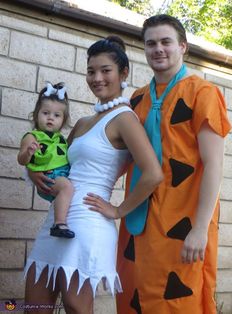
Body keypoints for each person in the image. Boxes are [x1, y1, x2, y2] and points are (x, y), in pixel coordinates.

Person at [85, 15, 232, 314]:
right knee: (133, 294)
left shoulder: (203, 93)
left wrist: (201, 228)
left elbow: (214, 165)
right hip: (138, 223)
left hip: (183, 223)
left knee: (178, 301)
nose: (158, 49)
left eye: (166, 42)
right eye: (151, 43)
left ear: (183, 47)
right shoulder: (136, 99)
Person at [24, 35, 163, 314]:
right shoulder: (83, 122)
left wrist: (118, 210)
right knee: (35, 305)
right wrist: (32, 170)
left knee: (76, 306)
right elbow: (56, 159)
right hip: (57, 220)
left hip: (88, 223)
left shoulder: (124, 118)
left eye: (105, 70)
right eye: (91, 71)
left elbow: (153, 173)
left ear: (123, 73)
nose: (97, 78)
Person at [17, 82, 75, 239]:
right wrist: (28, 153)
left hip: (61, 175)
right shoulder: (33, 136)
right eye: (45, 113)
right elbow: (21, 160)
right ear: (36, 114)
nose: (50, 118)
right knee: (66, 188)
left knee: (69, 189)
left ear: (63, 120)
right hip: (49, 176)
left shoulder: (61, 139)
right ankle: (59, 224)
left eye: (57, 115)